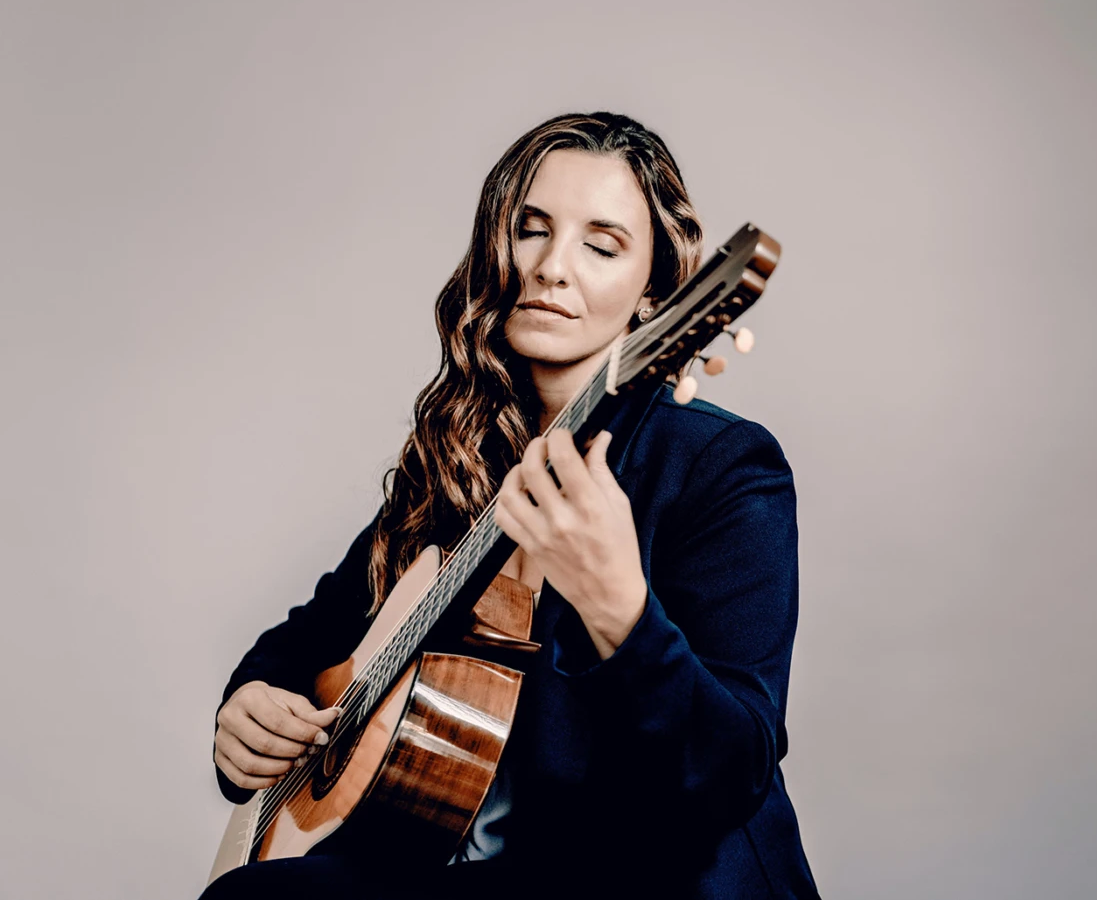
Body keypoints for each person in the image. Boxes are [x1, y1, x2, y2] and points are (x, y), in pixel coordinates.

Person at [200, 112, 820, 899]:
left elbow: (731, 775)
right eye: (531, 231)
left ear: (655, 296)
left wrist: (620, 612)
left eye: (601, 246)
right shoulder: (458, 464)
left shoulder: (720, 466)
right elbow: (305, 637)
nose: (552, 267)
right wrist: (249, 706)